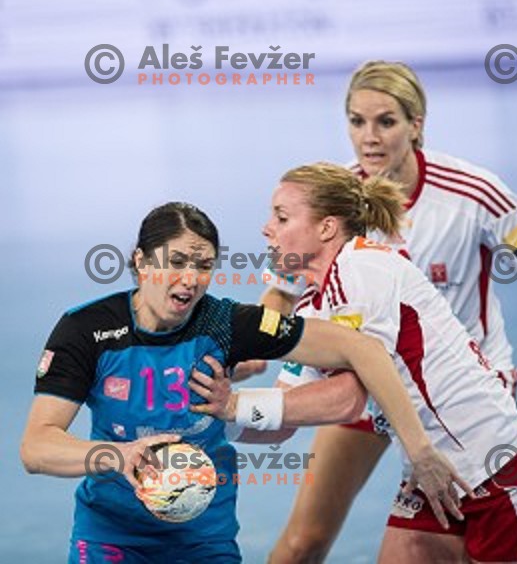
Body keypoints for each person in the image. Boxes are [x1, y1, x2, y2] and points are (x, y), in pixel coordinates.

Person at [254, 61, 517, 563]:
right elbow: (282, 297)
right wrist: (251, 349)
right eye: (356, 121)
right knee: (305, 538)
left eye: (385, 121)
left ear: (417, 124)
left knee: (461, 515)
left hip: (458, 393)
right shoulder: (330, 201)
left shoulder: (473, 192)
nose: (368, 137)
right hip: (367, 384)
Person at [20, 201, 466, 564]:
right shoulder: (87, 330)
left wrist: (419, 449)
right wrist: (119, 457)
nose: (190, 280)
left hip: (204, 539)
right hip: (111, 535)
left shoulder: (225, 323)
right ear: (140, 262)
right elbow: (37, 448)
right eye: (176, 262)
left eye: (204, 266)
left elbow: (363, 350)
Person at [195, 164, 517, 563]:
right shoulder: (313, 306)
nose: (266, 228)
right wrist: (208, 417)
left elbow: (346, 401)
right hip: (435, 478)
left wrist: (234, 405)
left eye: (282, 217)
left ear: (326, 228)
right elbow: (283, 420)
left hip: (505, 468)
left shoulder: (362, 269)